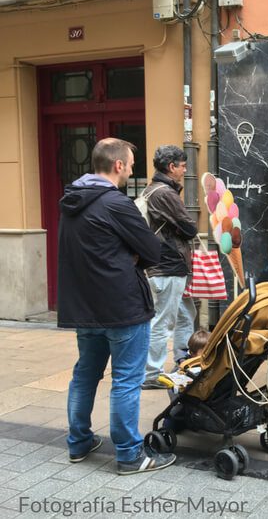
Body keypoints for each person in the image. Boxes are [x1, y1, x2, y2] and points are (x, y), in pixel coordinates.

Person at [57, 137, 175, 475]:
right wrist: (132, 255)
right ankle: (129, 454)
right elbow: (152, 251)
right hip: (122, 306)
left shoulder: (71, 201)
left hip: (85, 307)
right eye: (131, 165)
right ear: (118, 165)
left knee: (85, 374)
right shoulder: (116, 203)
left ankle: (78, 443)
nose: (132, 171)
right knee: (126, 379)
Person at [142, 145, 198, 389]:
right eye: (182, 165)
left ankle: (182, 362)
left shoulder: (157, 190)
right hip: (167, 266)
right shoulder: (164, 193)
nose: (185, 169)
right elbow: (190, 228)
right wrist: (183, 227)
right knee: (163, 322)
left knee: (187, 316)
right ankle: (151, 373)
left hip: (170, 265)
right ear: (171, 166)